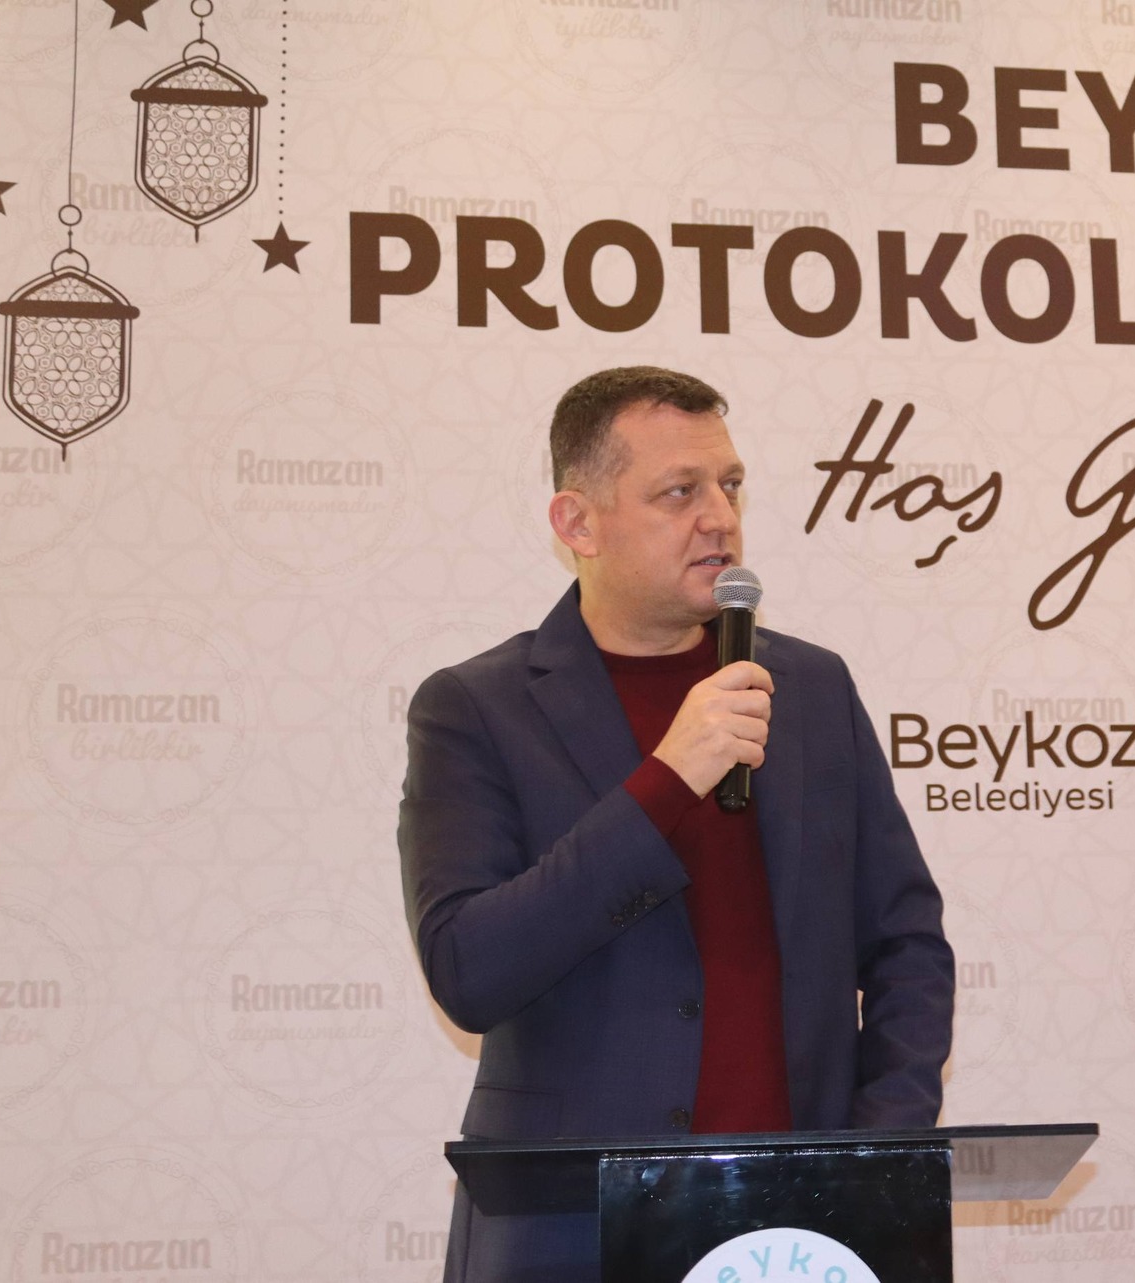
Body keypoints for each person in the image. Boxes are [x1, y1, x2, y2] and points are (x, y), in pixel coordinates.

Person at [397, 366, 955, 1283]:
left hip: (805, 1233)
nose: (720, 518)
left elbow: (907, 945)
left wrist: (875, 1152)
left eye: (730, 485)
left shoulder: (812, 687)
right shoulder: (477, 708)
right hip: (575, 1232)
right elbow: (469, 969)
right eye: (679, 492)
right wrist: (666, 780)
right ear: (578, 523)